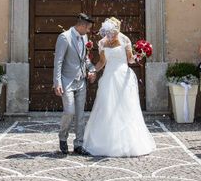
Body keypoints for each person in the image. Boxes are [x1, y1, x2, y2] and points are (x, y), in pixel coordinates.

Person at [83, 17, 156, 157]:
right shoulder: (102, 43)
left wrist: (140, 55)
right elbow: (102, 62)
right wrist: (92, 70)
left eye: (114, 32)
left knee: (126, 107)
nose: (112, 35)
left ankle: (129, 142)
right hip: (109, 78)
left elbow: (130, 59)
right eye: (110, 32)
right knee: (107, 107)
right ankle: (106, 142)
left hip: (124, 77)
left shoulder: (124, 40)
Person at [53, 13, 96, 155]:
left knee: (80, 114)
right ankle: (63, 137)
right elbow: (58, 61)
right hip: (66, 81)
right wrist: (57, 82)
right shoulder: (64, 37)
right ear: (82, 25)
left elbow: (85, 59)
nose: (88, 31)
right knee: (69, 111)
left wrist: (92, 69)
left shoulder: (84, 37)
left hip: (81, 81)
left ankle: (78, 144)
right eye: (88, 28)